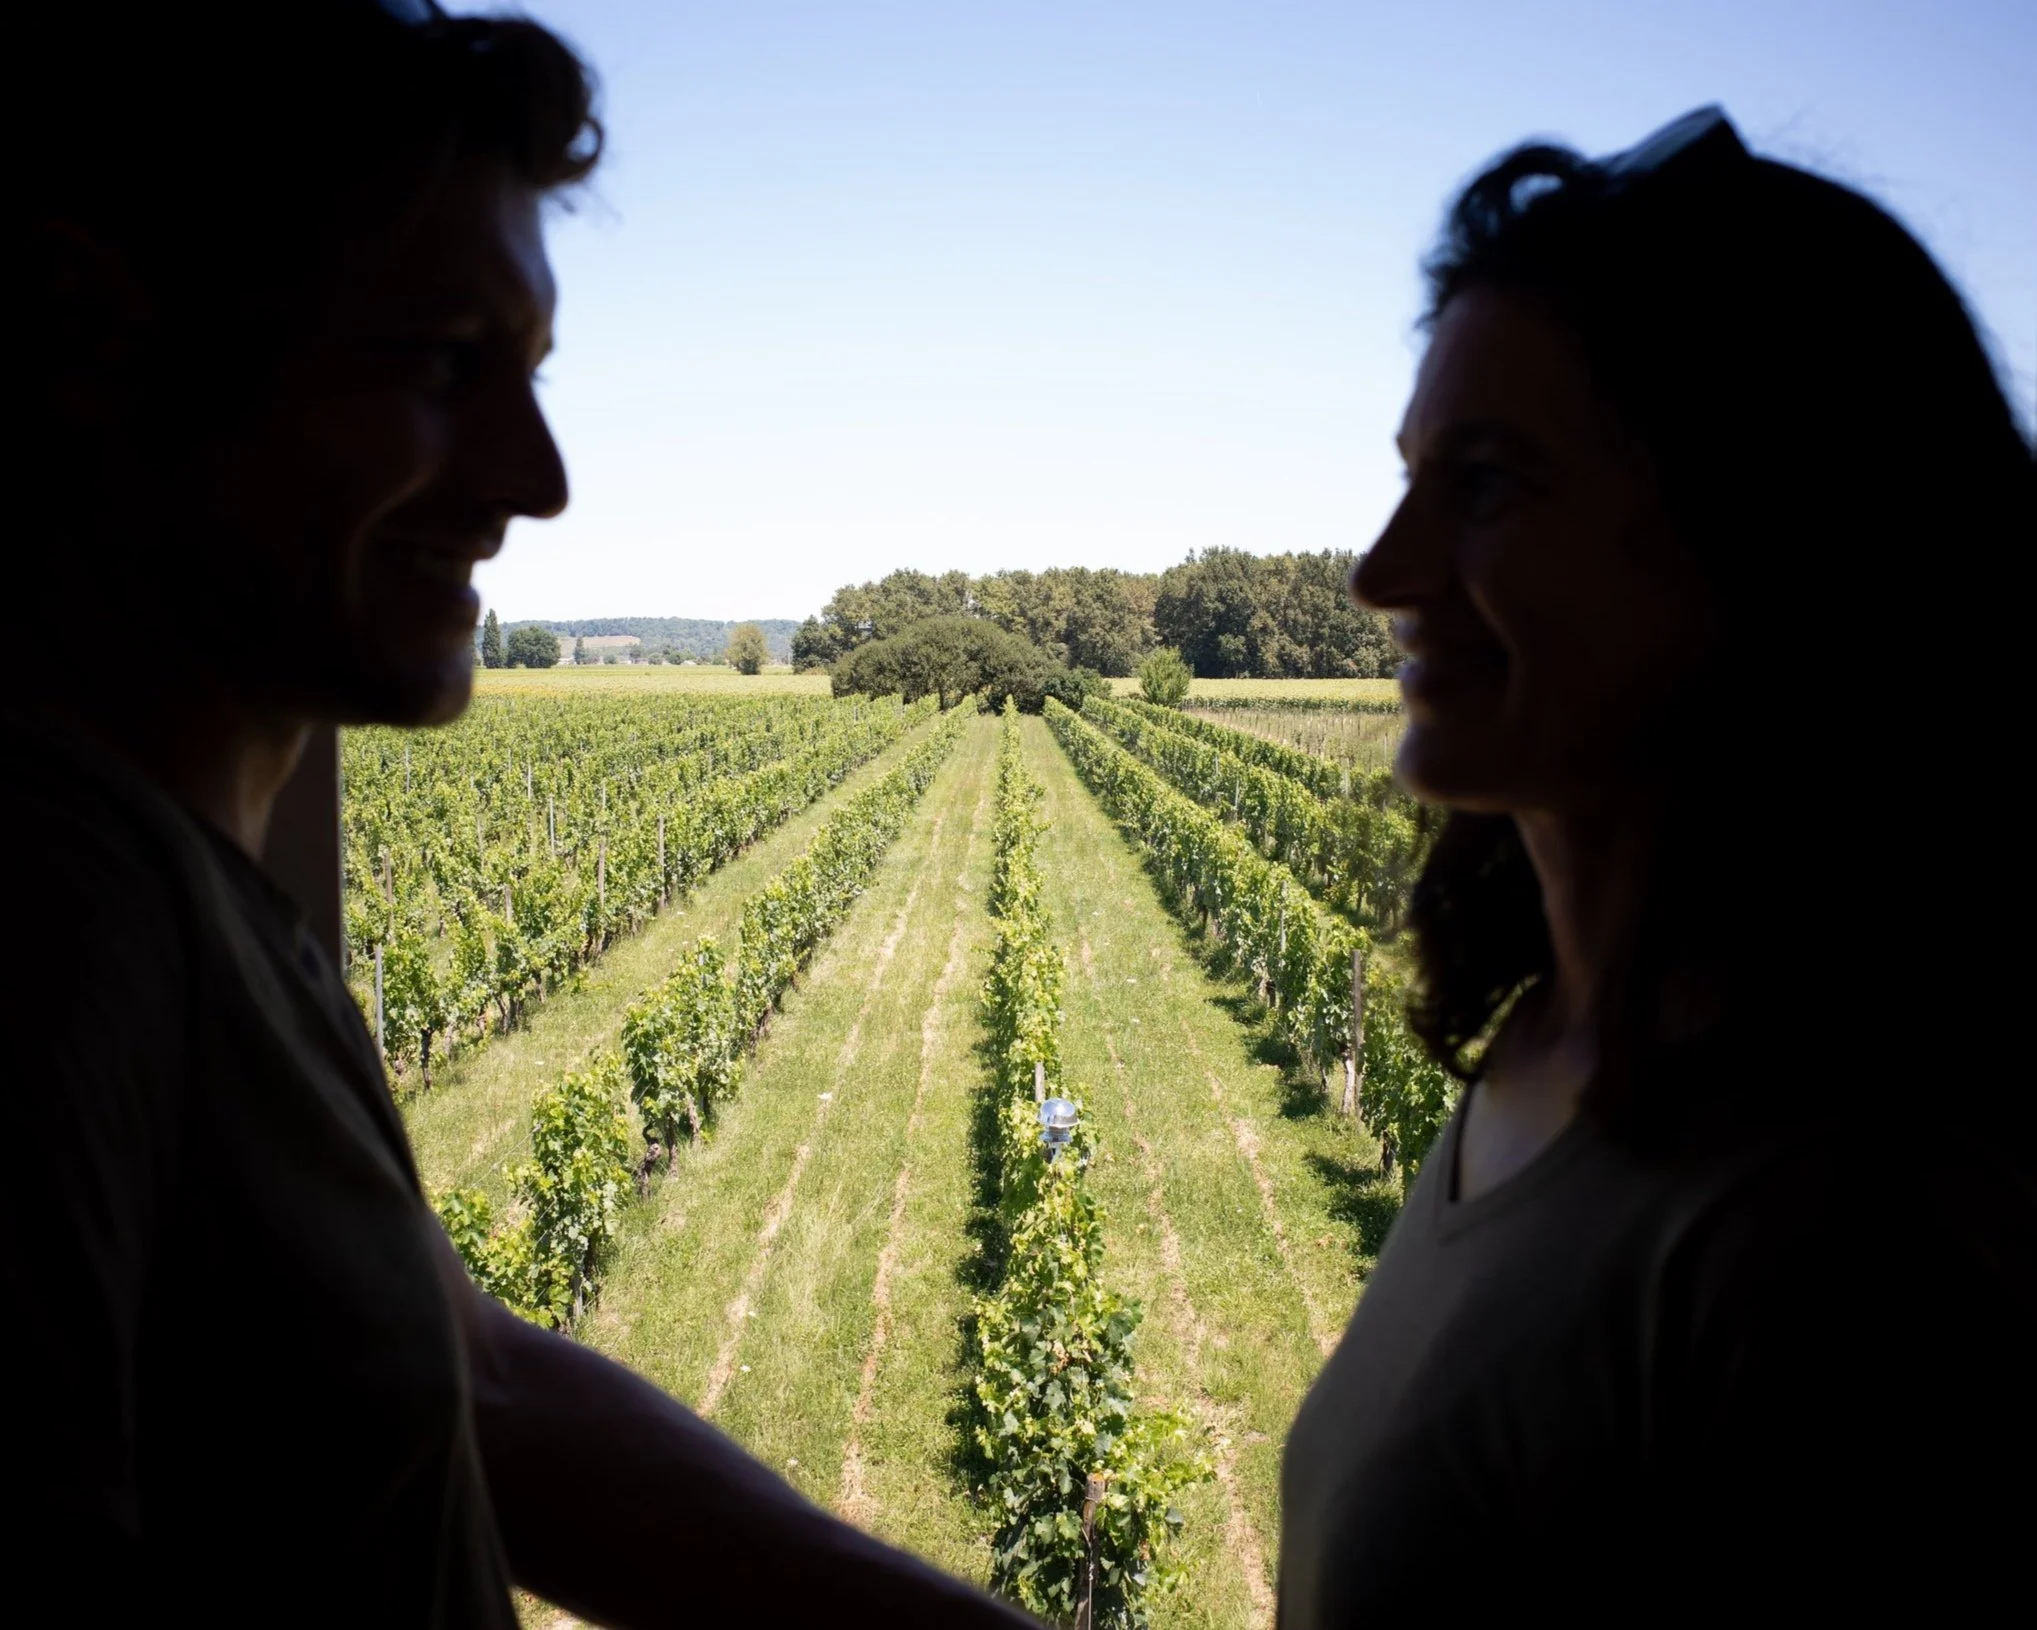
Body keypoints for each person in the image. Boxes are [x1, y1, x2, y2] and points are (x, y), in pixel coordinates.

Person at [5, 3, 1034, 1624]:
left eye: (534, 374)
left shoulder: (197, 910)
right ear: (98, 341)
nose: (538, 477)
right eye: (440, 364)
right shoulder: (43, 935)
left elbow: (478, 1384)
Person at [1279, 108, 2037, 1621]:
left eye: (1485, 482)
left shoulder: (1846, 1252)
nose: (1381, 572)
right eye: (1411, 473)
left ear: (1770, 530)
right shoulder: (1552, 1045)